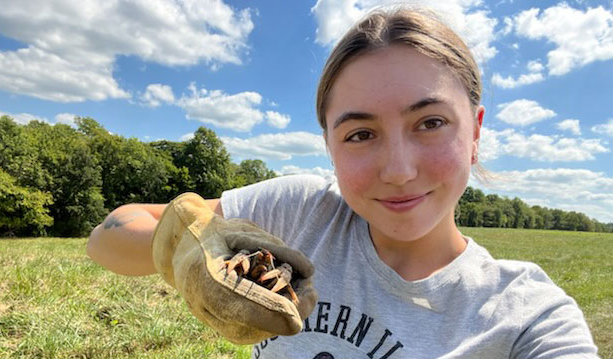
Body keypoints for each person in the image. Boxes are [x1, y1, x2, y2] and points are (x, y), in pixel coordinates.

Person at [87, 6, 599, 358]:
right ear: (329, 144)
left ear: (476, 131)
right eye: (360, 134)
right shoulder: (299, 211)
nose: (398, 170)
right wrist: (188, 249)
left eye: (431, 122)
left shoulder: (528, 315)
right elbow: (107, 236)